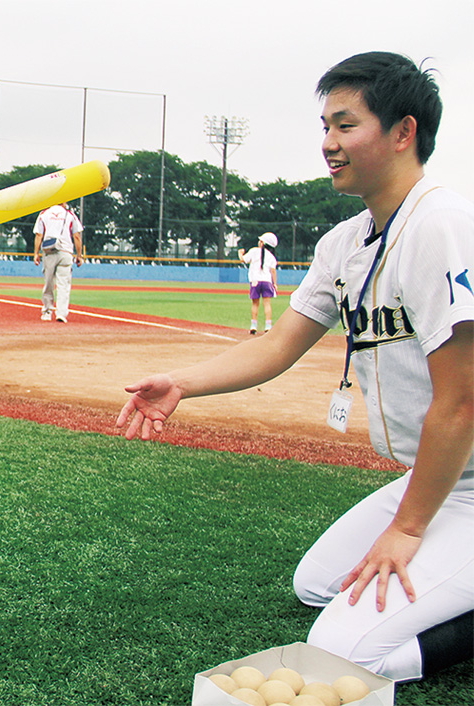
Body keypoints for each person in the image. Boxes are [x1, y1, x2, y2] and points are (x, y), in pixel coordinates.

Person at [116, 52, 473, 683]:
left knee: (346, 653)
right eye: (325, 128)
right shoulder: (345, 242)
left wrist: (408, 530)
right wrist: (184, 384)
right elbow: (277, 345)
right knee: (315, 585)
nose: (328, 144)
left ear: (403, 132)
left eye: (344, 126)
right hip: (447, 476)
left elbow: (464, 401)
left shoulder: (443, 226)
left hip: (463, 477)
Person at [32, 201, 84, 323]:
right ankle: (61, 313)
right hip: (65, 252)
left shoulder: (44, 214)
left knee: (48, 282)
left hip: (49, 252)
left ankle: (47, 312)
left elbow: (39, 235)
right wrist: (79, 255)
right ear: (64, 201)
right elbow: (77, 236)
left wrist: (36, 253)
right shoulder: (70, 214)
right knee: (63, 284)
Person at [240, 232, 279, 334]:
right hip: (267, 281)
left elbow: (243, 260)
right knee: (267, 304)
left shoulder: (254, 251)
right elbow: (273, 271)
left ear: (262, 243)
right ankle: (268, 326)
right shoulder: (272, 257)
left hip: (255, 281)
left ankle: (253, 326)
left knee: (255, 304)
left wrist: (240, 253)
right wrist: (275, 283)